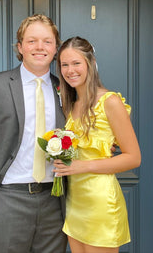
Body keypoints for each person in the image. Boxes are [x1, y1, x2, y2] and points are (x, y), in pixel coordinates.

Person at [0, 14, 67, 253]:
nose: (40, 47)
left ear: (56, 48)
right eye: (32, 41)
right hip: (5, 200)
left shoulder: (67, 91)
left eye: (47, 41)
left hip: (55, 201)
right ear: (20, 47)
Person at [54, 36, 141, 253]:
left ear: (91, 64)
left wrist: (81, 166)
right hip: (74, 201)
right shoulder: (69, 104)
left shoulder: (110, 101)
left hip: (100, 202)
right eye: (64, 64)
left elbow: (133, 157)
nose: (70, 70)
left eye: (76, 63)